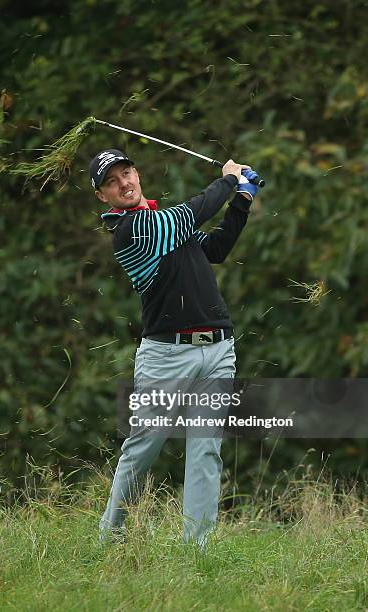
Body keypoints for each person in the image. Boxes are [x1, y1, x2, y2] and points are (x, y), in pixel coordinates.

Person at [89, 148, 259, 548]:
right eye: (112, 182)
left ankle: (197, 550)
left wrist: (242, 201)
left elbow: (214, 249)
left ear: (137, 173)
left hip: (218, 349)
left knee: (206, 452)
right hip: (167, 356)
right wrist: (230, 178)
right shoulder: (131, 230)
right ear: (102, 196)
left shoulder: (162, 224)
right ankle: (109, 539)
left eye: (126, 173)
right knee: (143, 448)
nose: (124, 183)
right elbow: (189, 214)